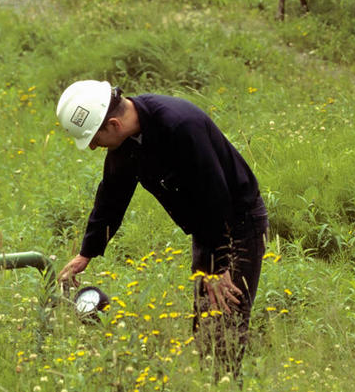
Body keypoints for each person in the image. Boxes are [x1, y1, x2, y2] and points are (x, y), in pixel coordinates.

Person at [55, 80, 269, 381]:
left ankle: (226, 384)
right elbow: (112, 197)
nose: (92, 146)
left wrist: (220, 266)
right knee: (206, 325)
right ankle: (213, 383)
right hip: (206, 227)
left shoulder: (180, 126)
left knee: (225, 322)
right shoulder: (128, 142)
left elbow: (215, 194)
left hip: (237, 224)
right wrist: (86, 253)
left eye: (93, 138)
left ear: (114, 124)